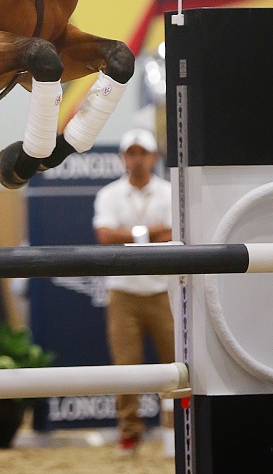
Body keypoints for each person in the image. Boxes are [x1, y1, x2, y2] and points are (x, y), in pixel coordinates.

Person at [92, 128, 174, 455]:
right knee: (125, 367)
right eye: (132, 153)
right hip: (123, 293)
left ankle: (173, 431)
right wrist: (148, 233)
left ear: (154, 157)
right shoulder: (108, 195)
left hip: (164, 291)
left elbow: (173, 234)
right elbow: (105, 237)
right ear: (122, 157)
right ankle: (129, 434)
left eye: (143, 152)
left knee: (174, 366)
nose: (137, 159)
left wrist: (130, 235)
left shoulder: (171, 193)